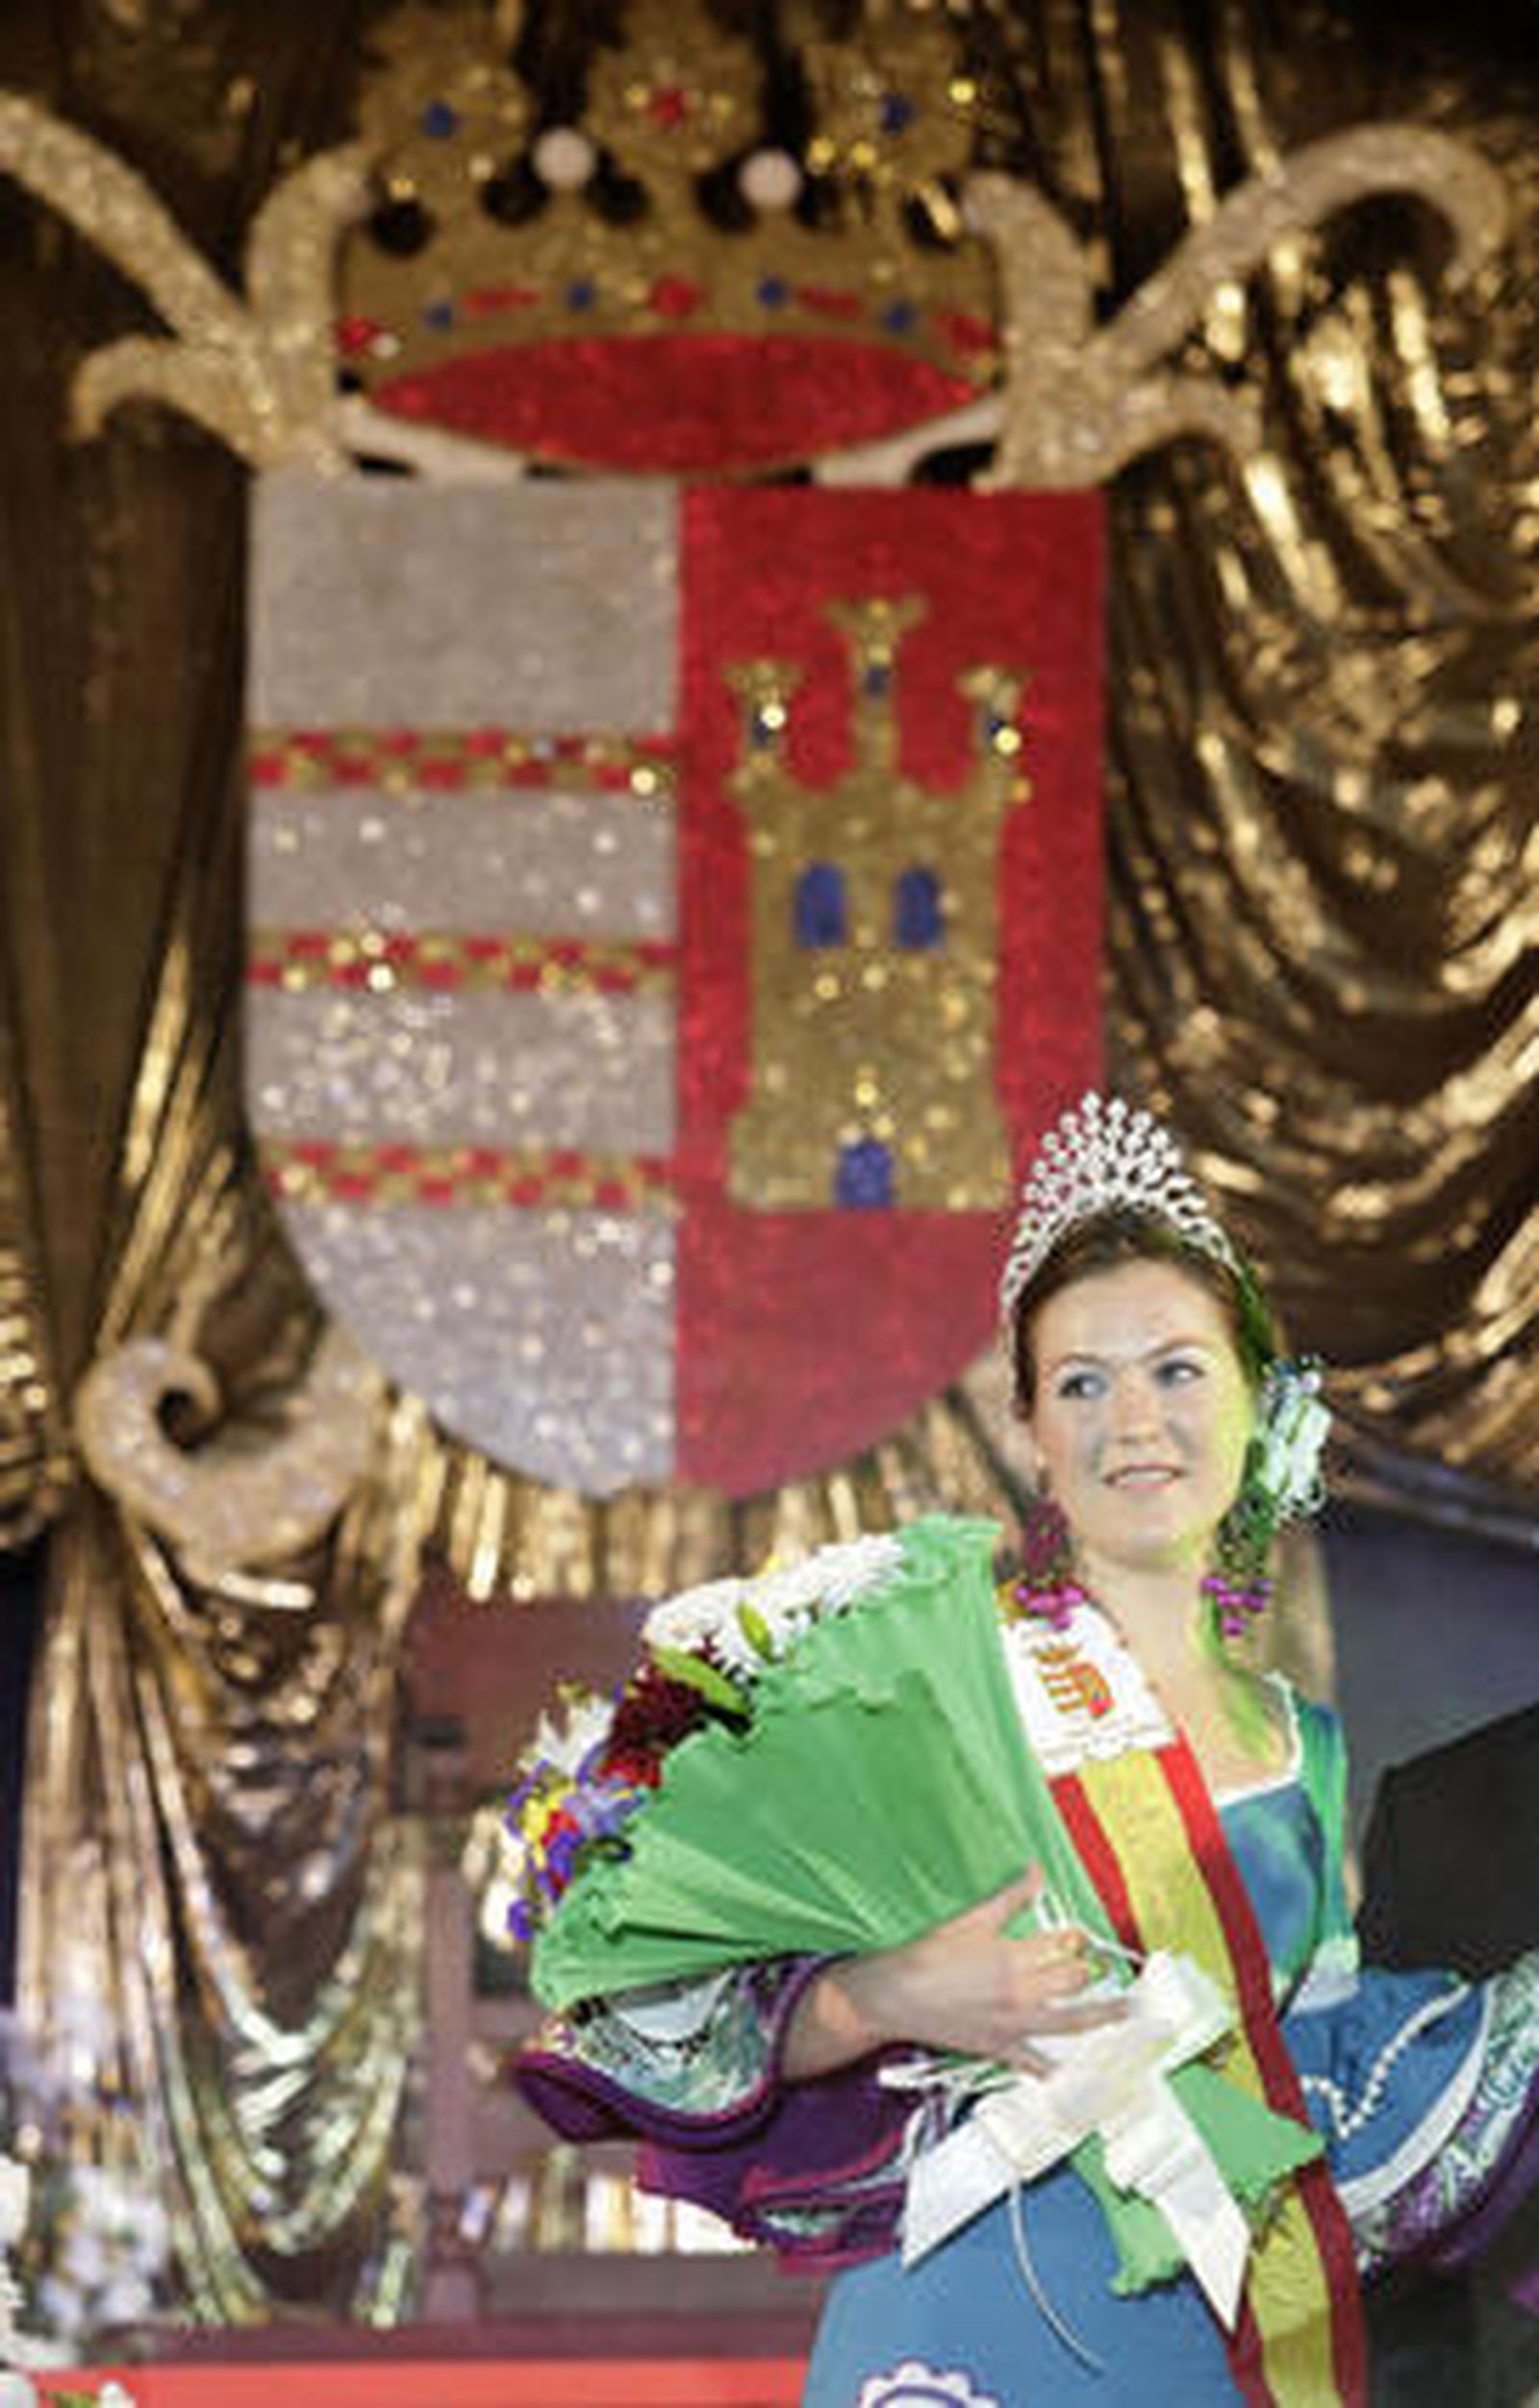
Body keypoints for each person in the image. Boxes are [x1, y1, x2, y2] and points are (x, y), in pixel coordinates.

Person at [517, 1094, 1539, 2406]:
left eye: (1178, 1370)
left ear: (1258, 1400)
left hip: (1212, 2333)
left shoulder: (1302, 1748)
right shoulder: (926, 1681)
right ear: (1028, 1428)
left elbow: (1331, 2089)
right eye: (1081, 1382)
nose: (1135, 1420)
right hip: (969, 2318)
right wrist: (884, 1995)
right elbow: (640, 2006)